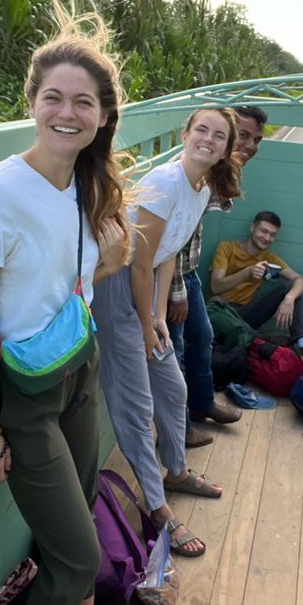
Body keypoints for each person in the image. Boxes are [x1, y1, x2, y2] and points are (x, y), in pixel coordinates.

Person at [0, 9, 129, 605]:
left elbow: (70, 282)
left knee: (80, 514)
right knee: (78, 557)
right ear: (31, 102)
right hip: (25, 394)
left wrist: (110, 259)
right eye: (53, 97)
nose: (67, 112)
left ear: (102, 116)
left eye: (83, 102)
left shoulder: (87, 184)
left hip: (80, 367)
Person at [91, 107, 241, 558]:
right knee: (135, 405)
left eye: (218, 135)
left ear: (225, 149)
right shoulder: (164, 182)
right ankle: (158, 509)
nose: (208, 139)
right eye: (202, 130)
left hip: (145, 291)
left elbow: (168, 253)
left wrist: (158, 317)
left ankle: (175, 471)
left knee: (174, 390)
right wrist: (143, 324)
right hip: (116, 287)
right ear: (186, 133)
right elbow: (138, 263)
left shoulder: (201, 187)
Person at [168, 105, 268, 448]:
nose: (251, 145)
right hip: (168, 277)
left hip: (188, 270)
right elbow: (169, 239)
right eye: (243, 136)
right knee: (174, 352)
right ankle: (178, 432)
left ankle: (202, 403)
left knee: (202, 337)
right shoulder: (192, 169)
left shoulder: (216, 169)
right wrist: (176, 291)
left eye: (257, 139)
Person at [210, 210, 303, 370]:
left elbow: (302, 281)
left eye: (272, 235)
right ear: (252, 228)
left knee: (289, 290)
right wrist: (248, 272)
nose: (267, 238)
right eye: (263, 231)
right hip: (220, 313)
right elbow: (216, 286)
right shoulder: (226, 248)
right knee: (263, 340)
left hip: (245, 315)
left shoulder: (269, 259)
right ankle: (266, 344)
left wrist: (289, 299)